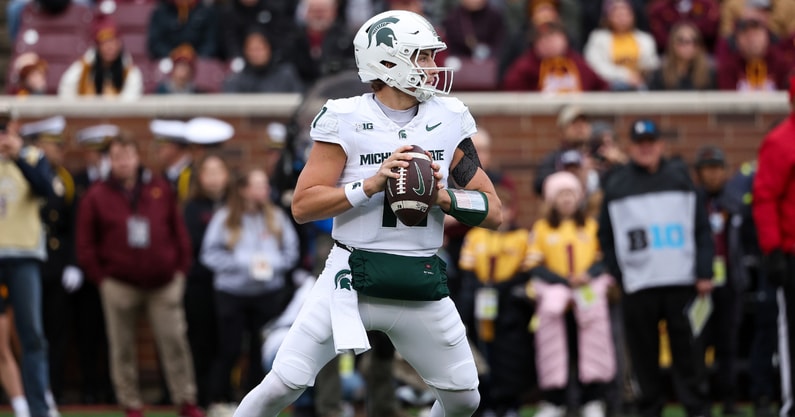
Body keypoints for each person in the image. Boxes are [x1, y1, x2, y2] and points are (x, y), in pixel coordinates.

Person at [231, 9, 503, 417]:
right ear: (388, 62)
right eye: (422, 56)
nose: (432, 67)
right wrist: (370, 185)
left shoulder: (447, 119)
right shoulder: (346, 118)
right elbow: (303, 205)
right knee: (283, 383)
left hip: (419, 278)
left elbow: (493, 211)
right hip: (351, 275)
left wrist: (444, 199)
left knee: (465, 398)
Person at [75, 135, 204, 417]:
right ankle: (130, 403)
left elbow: (177, 230)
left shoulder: (159, 187)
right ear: (110, 160)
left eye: (128, 155)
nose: (123, 162)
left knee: (174, 341)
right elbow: (85, 243)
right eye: (117, 157)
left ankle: (185, 399)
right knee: (121, 346)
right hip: (118, 283)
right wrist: (102, 278)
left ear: (137, 157)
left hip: (164, 282)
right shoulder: (96, 194)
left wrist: (180, 270)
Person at [597, 119, 714, 417]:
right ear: (631, 147)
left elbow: (701, 228)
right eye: (640, 143)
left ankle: (697, 409)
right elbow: (606, 235)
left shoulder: (681, 178)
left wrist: (703, 272)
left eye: (651, 142)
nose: (646, 148)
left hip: (682, 282)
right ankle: (650, 410)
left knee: (688, 354)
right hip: (638, 285)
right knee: (643, 356)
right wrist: (620, 275)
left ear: (661, 145)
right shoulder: (618, 183)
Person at [201, 167, 300, 413]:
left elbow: (291, 253)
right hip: (232, 293)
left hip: (267, 293)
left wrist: (272, 265)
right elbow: (209, 254)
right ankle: (220, 400)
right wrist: (241, 266)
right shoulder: (225, 218)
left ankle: (256, 402)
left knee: (260, 350)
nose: (264, 190)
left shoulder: (276, 216)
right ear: (244, 190)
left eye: (265, 185)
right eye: (257, 185)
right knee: (230, 348)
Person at [527, 171, 615, 417]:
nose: (566, 200)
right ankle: (555, 401)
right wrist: (562, 281)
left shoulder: (590, 226)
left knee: (592, 346)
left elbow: (603, 258)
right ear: (551, 200)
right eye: (560, 195)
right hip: (556, 303)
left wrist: (588, 275)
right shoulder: (542, 228)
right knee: (554, 349)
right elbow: (534, 264)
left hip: (587, 298)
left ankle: (592, 399)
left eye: (570, 194)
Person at [0, 105, 59, 417]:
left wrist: (18, 155)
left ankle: (39, 406)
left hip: (24, 255)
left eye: (4, 126)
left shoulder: (33, 157)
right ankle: (19, 404)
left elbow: (47, 191)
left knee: (32, 334)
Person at [458, 179, 533, 417]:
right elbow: (467, 272)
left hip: (509, 306)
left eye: (506, 208)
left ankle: (510, 402)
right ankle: (487, 401)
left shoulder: (522, 237)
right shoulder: (475, 237)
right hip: (481, 304)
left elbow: (526, 271)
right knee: (482, 352)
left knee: (510, 354)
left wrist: (502, 287)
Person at [18, 116, 79, 405]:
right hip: (22, 260)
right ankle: (23, 393)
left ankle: (49, 391)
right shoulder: (20, 167)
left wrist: (72, 263)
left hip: (53, 266)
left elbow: (70, 224)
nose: (59, 150)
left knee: (52, 334)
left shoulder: (62, 178)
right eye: (53, 144)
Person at [752, 75, 795, 417]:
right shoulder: (781, 141)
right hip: (791, 253)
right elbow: (765, 197)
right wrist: (773, 250)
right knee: (791, 332)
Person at [692, 145, 742, 416]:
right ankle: (701, 401)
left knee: (728, 344)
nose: (712, 175)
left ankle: (729, 400)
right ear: (699, 173)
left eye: (717, 168)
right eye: (707, 169)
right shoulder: (691, 203)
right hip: (699, 285)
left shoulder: (734, 202)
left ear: (725, 171)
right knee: (699, 344)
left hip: (729, 283)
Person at [501, 22, 607, 93]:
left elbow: (601, 86)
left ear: (564, 39)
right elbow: (511, 90)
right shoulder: (524, 67)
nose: (549, 42)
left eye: (553, 36)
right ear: (535, 43)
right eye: (543, 38)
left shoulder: (578, 63)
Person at [58, 14, 143, 100]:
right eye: (104, 42)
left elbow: (131, 104)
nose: (109, 47)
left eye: (112, 41)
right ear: (97, 46)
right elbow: (66, 90)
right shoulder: (83, 67)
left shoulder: (130, 71)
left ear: (119, 43)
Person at [583, 0, 659, 91]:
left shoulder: (645, 39)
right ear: (608, 17)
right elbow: (595, 66)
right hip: (611, 84)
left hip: (640, 82)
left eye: (626, 15)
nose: (622, 19)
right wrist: (625, 76)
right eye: (618, 15)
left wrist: (641, 74)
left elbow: (653, 63)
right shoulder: (598, 38)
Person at [221, 29, 304, 94]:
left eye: (260, 49)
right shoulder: (235, 81)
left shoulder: (287, 75)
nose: (257, 54)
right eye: (252, 50)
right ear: (245, 52)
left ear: (269, 49)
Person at [648, 21, 716, 91]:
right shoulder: (659, 75)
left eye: (694, 41)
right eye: (682, 41)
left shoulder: (709, 75)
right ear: (673, 44)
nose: (689, 46)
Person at [147, 0, 220, 60]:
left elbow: (211, 43)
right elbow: (155, 44)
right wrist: (173, 54)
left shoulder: (207, 12)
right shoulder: (161, 12)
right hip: (168, 61)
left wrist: (196, 57)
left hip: (199, 61)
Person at [151, 119, 193, 202]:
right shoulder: (166, 174)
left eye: (161, 145)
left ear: (175, 146)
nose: (157, 149)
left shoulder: (194, 173)